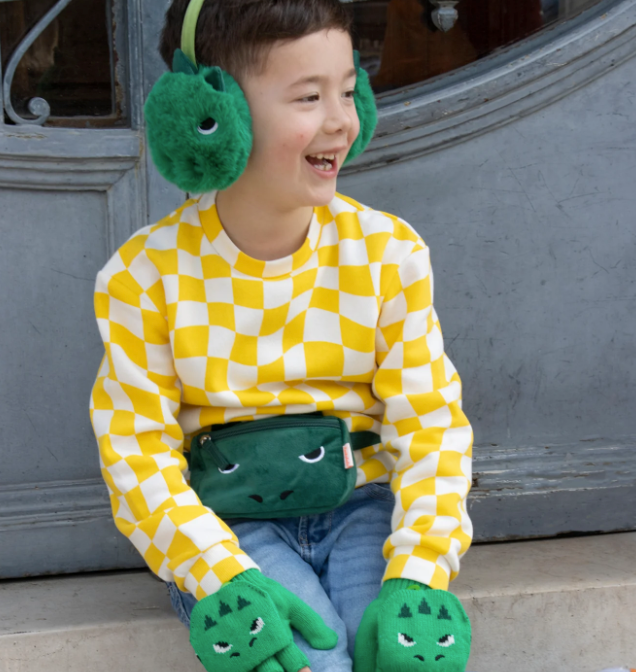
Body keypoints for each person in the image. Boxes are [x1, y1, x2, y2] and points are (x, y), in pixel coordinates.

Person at [89, 1, 473, 670]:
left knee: (397, 655)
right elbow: (136, 450)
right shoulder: (143, 277)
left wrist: (420, 572)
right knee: (315, 663)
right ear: (215, 116)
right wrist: (218, 575)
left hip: (362, 507)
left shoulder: (388, 253)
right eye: (308, 97)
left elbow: (430, 423)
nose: (342, 121)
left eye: (349, 91)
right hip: (230, 529)